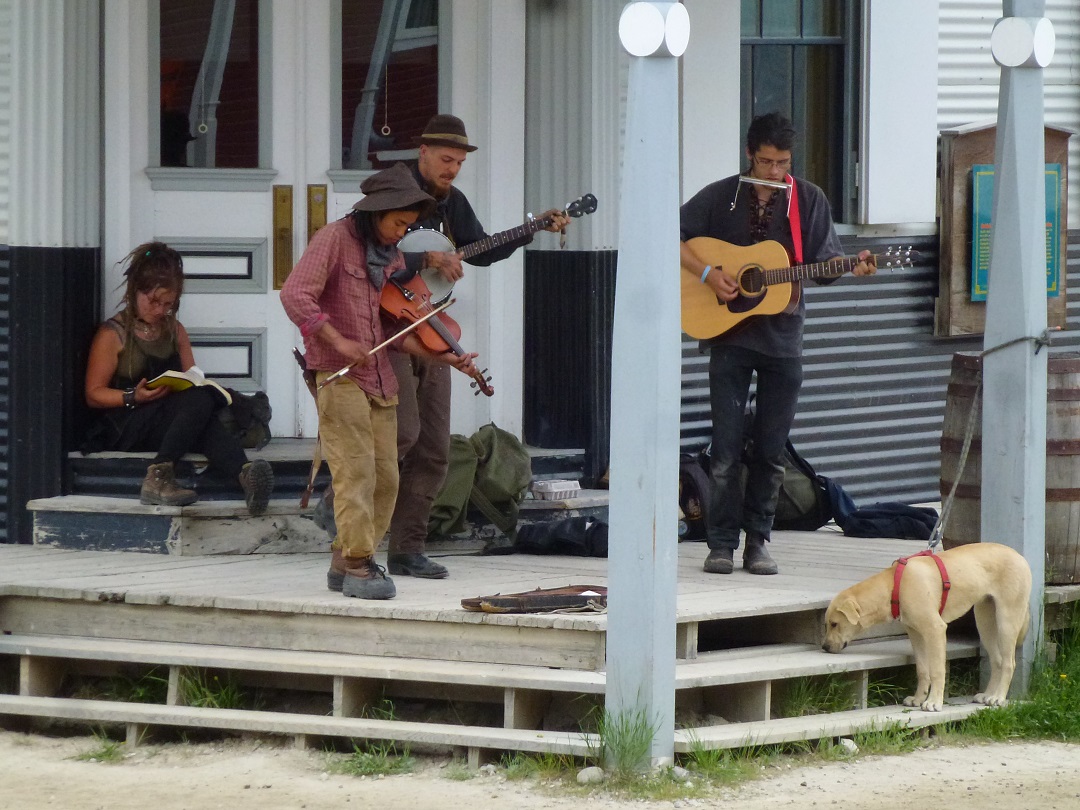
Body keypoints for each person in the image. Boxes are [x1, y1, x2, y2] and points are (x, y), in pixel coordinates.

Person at [314, 114, 571, 580]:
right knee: (403, 433)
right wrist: (425, 257)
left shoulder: (454, 202)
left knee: (434, 446)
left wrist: (531, 229)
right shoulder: (391, 193)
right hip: (386, 328)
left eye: (459, 161)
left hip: (431, 323)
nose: (452, 169)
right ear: (423, 152)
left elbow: (482, 248)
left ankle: (408, 548)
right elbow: (368, 251)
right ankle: (347, 524)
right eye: (446, 159)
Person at [679, 112, 876, 576]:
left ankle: (759, 543)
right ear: (750, 154)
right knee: (724, 454)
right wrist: (708, 273)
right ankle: (721, 544)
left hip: (783, 342)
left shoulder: (808, 199)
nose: (774, 172)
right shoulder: (721, 196)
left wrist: (851, 266)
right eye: (766, 162)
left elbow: (824, 266)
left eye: (782, 162)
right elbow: (674, 234)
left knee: (770, 452)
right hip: (728, 337)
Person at [281, 162, 480, 600]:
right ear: (377, 211)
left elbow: (391, 331)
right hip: (339, 375)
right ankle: (357, 563)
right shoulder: (334, 238)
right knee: (356, 472)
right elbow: (295, 294)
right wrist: (336, 339)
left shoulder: (387, 255)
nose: (402, 234)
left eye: (409, 225)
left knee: (387, 475)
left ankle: (344, 558)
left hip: (379, 375)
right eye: (398, 223)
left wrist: (443, 355)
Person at [84, 242, 274, 514]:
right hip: (127, 422)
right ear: (135, 290)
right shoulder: (112, 334)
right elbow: (93, 394)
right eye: (154, 301)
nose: (160, 310)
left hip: (169, 420)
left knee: (201, 400)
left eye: (168, 304)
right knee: (200, 405)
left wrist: (191, 384)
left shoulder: (175, 330)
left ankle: (246, 476)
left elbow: (192, 378)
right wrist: (133, 396)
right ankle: (165, 476)